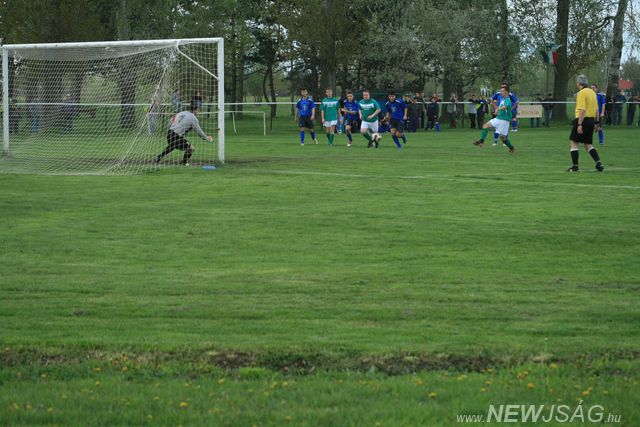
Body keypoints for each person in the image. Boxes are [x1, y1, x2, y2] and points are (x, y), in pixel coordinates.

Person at [566, 75, 603, 172]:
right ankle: (598, 163)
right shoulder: (592, 93)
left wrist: (579, 124)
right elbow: (597, 110)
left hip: (582, 120)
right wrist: (597, 123)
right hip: (591, 121)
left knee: (574, 142)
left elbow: (582, 110)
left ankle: (575, 166)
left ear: (578, 83)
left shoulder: (581, 93)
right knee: (588, 144)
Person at [472, 85, 515, 153]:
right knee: (485, 126)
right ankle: (481, 141)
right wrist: (497, 111)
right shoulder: (503, 99)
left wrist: (498, 109)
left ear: (507, 92)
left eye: (502, 91)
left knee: (503, 138)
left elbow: (505, 107)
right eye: (501, 91)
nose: (501, 92)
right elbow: (502, 109)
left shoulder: (508, 99)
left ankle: (511, 148)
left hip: (504, 121)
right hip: (498, 118)